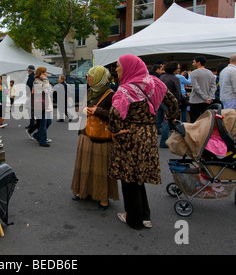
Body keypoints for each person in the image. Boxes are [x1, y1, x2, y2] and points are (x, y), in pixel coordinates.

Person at [108, 54, 179, 230]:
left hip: (130, 136)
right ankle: (144, 216)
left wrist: (116, 131)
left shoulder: (124, 90)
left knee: (128, 178)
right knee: (138, 176)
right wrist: (170, 120)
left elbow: (114, 114)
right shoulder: (154, 82)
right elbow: (173, 102)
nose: (116, 69)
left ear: (128, 67)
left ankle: (133, 219)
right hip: (149, 134)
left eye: (118, 66)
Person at [71, 65, 119, 210]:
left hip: (101, 138)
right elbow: (80, 109)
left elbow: (116, 116)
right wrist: (81, 110)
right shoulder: (90, 91)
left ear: (99, 78)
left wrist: (98, 111)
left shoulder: (111, 94)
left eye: (90, 76)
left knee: (100, 169)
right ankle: (83, 192)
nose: (88, 78)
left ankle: (103, 198)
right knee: (84, 166)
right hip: (85, 134)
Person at [159, 61, 182, 148]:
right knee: (167, 122)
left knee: (158, 120)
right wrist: (178, 104)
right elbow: (177, 93)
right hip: (169, 103)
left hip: (160, 101)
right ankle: (164, 142)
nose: (179, 70)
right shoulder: (175, 79)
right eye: (178, 68)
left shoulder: (162, 77)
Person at [188, 56, 217, 123]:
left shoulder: (194, 73)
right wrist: (209, 98)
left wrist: (205, 97)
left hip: (196, 101)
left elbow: (196, 87)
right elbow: (213, 87)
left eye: (194, 62)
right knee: (206, 121)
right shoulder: (210, 73)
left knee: (195, 121)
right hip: (207, 101)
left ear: (199, 63)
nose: (192, 64)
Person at [32, 67, 53, 147]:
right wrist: (45, 79)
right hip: (41, 105)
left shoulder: (42, 81)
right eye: (44, 72)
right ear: (41, 73)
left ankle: (37, 135)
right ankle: (42, 141)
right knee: (43, 123)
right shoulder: (37, 81)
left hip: (46, 104)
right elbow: (45, 88)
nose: (46, 74)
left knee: (48, 121)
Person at [25, 65, 36, 132]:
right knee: (30, 109)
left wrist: (29, 93)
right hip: (31, 95)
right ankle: (32, 123)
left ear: (29, 70)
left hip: (31, 95)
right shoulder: (31, 76)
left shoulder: (32, 77)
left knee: (31, 109)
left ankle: (32, 123)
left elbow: (31, 86)